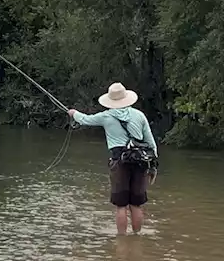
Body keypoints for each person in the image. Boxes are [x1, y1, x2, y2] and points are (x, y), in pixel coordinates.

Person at [68, 82, 158, 235]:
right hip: (140, 161)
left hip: (120, 162)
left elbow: (85, 120)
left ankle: (121, 240)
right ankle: (137, 237)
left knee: (121, 205)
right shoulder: (139, 115)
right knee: (136, 205)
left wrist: (73, 113)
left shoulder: (106, 116)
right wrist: (154, 165)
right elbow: (151, 143)